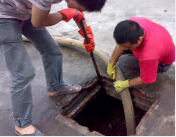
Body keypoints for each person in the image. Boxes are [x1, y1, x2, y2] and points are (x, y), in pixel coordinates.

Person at [0, 0, 107, 135]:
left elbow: (77, 14)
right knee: (23, 74)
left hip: (25, 12)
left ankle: (55, 87)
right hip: (4, 17)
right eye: (79, 7)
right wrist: (64, 14)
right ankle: (22, 125)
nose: (81, 10)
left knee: (52, 51)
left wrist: (87, 34)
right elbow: (38, 22)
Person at [107, 17, 175, 93]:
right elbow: (121, 46)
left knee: (124, 62)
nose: (124, 49)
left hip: (162, 63)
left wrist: (125, 84)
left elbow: (146, 79)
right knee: (123, 51)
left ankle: (137, 82)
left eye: (129, 47)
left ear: (140, 39)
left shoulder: (149, 56)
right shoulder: (132, 24)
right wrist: (111, 63)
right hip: (159, 46)